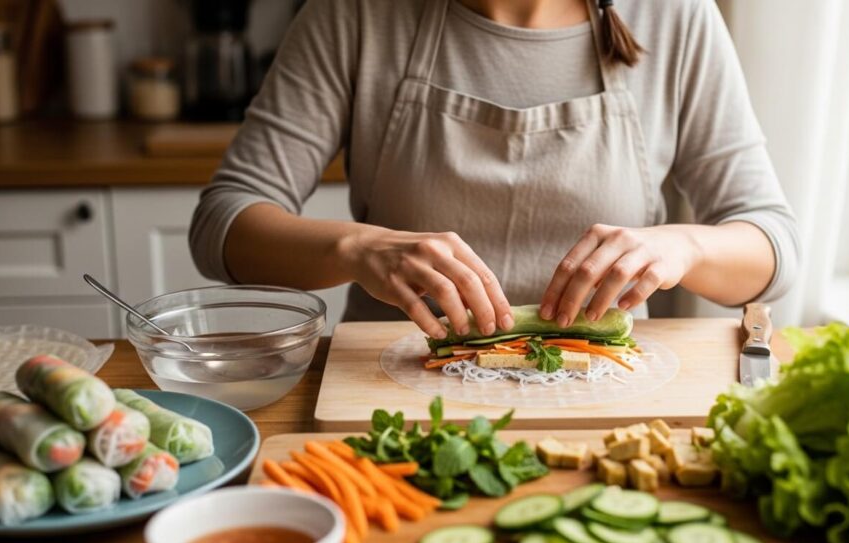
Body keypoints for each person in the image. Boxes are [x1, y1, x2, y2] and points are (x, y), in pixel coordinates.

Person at [189, 0, 800, 340]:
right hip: (392, 390)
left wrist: (683, 246)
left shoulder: (675, 15)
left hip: (607, 397)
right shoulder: (354, 13)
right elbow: (224, 225)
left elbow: (774, 251)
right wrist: (359, 248)